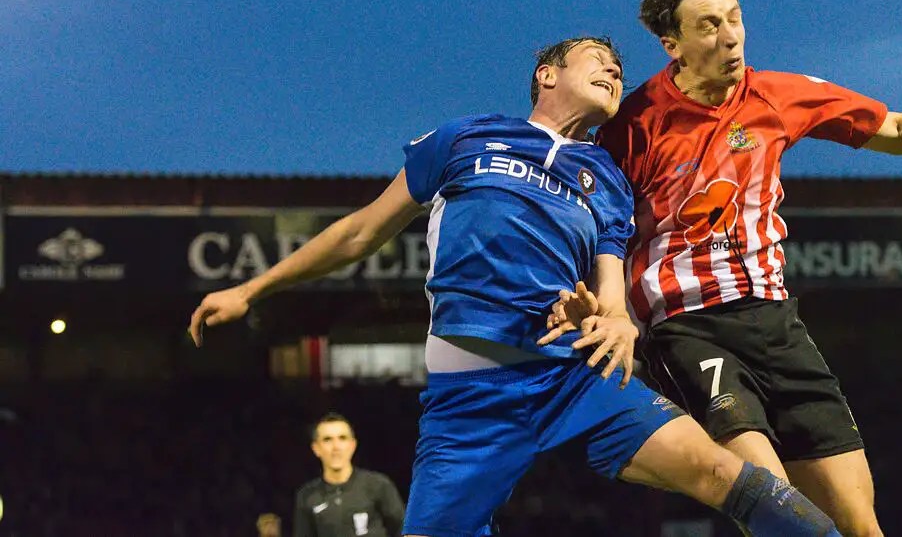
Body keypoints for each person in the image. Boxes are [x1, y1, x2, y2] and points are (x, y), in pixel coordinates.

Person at [188, 36, 843, 537]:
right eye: (597, 58)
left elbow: (611, 294)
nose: (614, 69)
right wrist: (253, 290)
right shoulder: (466, 139)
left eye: (619, 66)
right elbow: (360, 231)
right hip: (470, 395)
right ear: (547, 73)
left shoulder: (606, 180)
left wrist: (612, 318)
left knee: (716, 469)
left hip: (572, 377)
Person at [547, 0, 902, 537]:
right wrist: (595, 304)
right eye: (708, 25)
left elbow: (899, 131)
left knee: (859, 523)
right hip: (689, 328)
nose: (730, 36)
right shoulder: (633, 125)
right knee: (776, 505)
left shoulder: (779, 95)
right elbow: (599, 225)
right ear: (672, 44)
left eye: (735, 17)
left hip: (779, 328)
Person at [292, 413, 405, 537]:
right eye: (327, 439)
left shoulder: (379, 485)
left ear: (353, 445)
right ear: (316, 448)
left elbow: (403, 530)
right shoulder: (307, 496)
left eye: (342, 438)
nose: (336, 447)